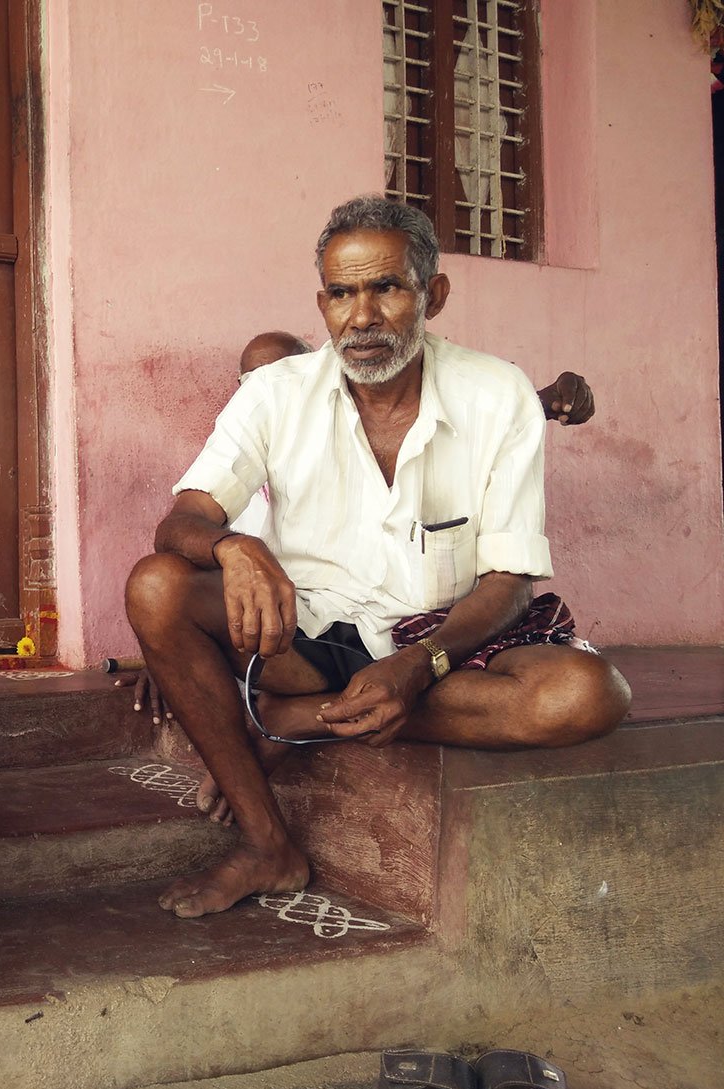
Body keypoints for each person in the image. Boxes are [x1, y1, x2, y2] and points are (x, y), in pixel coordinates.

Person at [125, 195, 630, 920]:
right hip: (309, 635)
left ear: (434, 294)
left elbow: (509, 583)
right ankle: (269, 846)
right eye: (341, 294)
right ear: (322, 304)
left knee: (591, 693)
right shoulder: (274, 393)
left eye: (386, 288)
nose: (360, 317)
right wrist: (230, 545)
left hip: (445, 638)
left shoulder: (499, 396)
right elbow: (182, 522)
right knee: (155, 587)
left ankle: (299, 720)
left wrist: (418, 665)